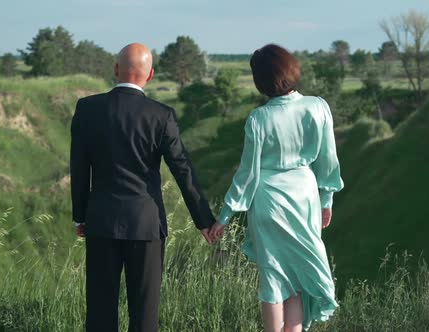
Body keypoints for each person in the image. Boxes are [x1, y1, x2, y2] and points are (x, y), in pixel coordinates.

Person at [70, 43, 217, 332]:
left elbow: (78, 168)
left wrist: (80, 216)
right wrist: (204, 220)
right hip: (146, 226)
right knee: (144, 315)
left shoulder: (87, 108)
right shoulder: (161, 115)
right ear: (150, 75)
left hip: (101, 222)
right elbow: (182, 169)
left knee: (99, 314)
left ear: (115, 70)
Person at [210, 44, 344, 332]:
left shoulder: (259, 119)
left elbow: (246, 174)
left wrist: (224, 216)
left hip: (268, 200)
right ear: (291, 69)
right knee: (296, 273)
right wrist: (327, 199)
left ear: (261, 81)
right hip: (305, 196)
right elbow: (328, 160)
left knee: (273, 275)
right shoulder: (317, 107)